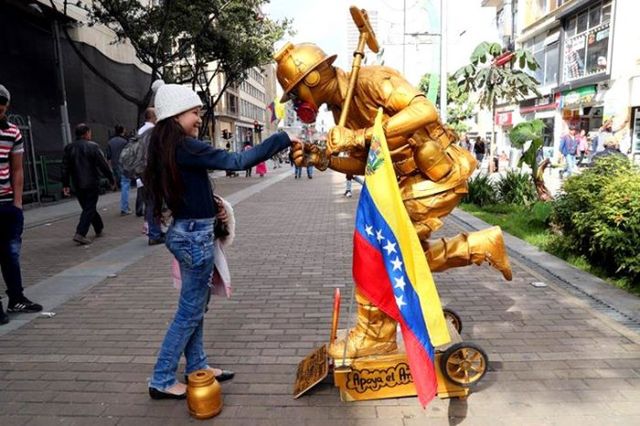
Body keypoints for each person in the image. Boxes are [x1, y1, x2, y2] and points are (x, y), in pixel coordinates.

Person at [275, 42, 511, 360]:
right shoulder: (337, 111)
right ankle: (479, 246)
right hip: (406, 181)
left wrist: (359, 136)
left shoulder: (371, 80)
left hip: (437, 174)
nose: (297, 101)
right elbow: (365, 162)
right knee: (398, 254)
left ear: (314, 79)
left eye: (296, 91)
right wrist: (324, 159)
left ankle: (377, 336)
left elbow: (425, 110)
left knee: (383, 247)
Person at [144, 80, 296, 400]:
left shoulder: (172, 147)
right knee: (189, 312)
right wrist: (282, 138)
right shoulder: (186, 146)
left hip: (190, 232)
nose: (200, 118)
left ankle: (197, 365)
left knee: (196, 308)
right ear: (176, 114)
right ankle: (161, 378)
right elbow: (237, 162)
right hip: (194, 237)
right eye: (195, 113)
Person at [0, 84, 42, 324]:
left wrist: (17, 203)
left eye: (1, 107)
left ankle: (16, 298)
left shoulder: (13, 132)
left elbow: (17, 169)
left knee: (11, 254)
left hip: (7, 203)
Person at [61, 124, 115, 245]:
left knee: (87, 207)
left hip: (77, 183)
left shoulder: (69, 148)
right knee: (89, 207)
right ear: (86, 133)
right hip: (91, 182)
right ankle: (80, 233)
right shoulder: (93, 147)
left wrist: (65, 184)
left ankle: (98, 227)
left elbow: (64, 167)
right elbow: (103, 165)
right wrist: (111, 179)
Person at [106, 125, 131, 215]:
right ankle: (124, 207)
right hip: (124, 165)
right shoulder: (125, 141)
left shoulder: (110, 142)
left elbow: (108, 156)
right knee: (125, 184)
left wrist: (110, 167)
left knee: (122, 183)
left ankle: (125, 206)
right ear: (123, 130)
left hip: (114, 164)